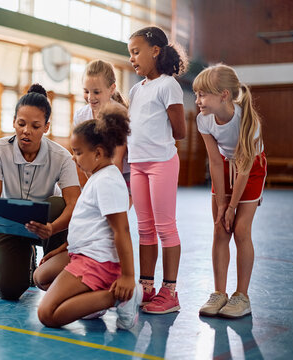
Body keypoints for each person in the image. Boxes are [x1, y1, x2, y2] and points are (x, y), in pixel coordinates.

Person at [36, 103, 142, 330]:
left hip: (97, 261)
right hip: (81, 253)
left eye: (78, 152)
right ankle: (92, 304)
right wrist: (64, 248)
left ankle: (119, 297)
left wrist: (128, 277)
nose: (74, 158)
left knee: (47, 315)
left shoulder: (107, 182)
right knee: (41, 277)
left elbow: (121, 231)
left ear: (98, 153)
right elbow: (90, 225)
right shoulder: (97, 175)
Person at [0, 84, 81, 300]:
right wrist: (11, 211)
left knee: (58, 204)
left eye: (35, 126)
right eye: (21, 124)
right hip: (11, 224)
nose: (26, 130)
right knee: (7, 291)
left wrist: (51, 228)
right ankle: (26, 255)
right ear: (14, 123)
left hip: (49, 227)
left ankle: (49, 265)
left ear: (46, 127)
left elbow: (74, 203)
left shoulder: (62, 157)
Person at [194, 64, 266, 318]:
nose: (197, 100)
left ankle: (241, 296)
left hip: (251, 168)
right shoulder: (203, 119)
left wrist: (232, 206)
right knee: (220, 228)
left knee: (241, 229)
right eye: (196, 94)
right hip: (224, 166)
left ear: (224, 95)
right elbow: (214, 161)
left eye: (203, 94)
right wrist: (222, 205)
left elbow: (246, 167)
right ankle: (219, 293)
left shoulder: (248, 120)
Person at [127, 26, 188, 314]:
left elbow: (181, 131)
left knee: (165, 227)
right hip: (137, 165)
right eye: (130, 54)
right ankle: (147, 286)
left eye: (136, 52)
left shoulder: (168, 85)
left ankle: (171, 291)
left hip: (161, 163)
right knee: (144, 229)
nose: (132, 59)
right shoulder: (135, 90)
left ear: (155, 51)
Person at [74, 59, 132, 199]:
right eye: (86, 91)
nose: (90, 97)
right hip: (95, 171)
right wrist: (94, 183)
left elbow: (116, 160)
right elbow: (81, 157)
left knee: (114, 217)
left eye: (96, 92)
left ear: (112, 89)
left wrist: (110, 191)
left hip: (123, 174)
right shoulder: (81, 115)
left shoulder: (118, 114)